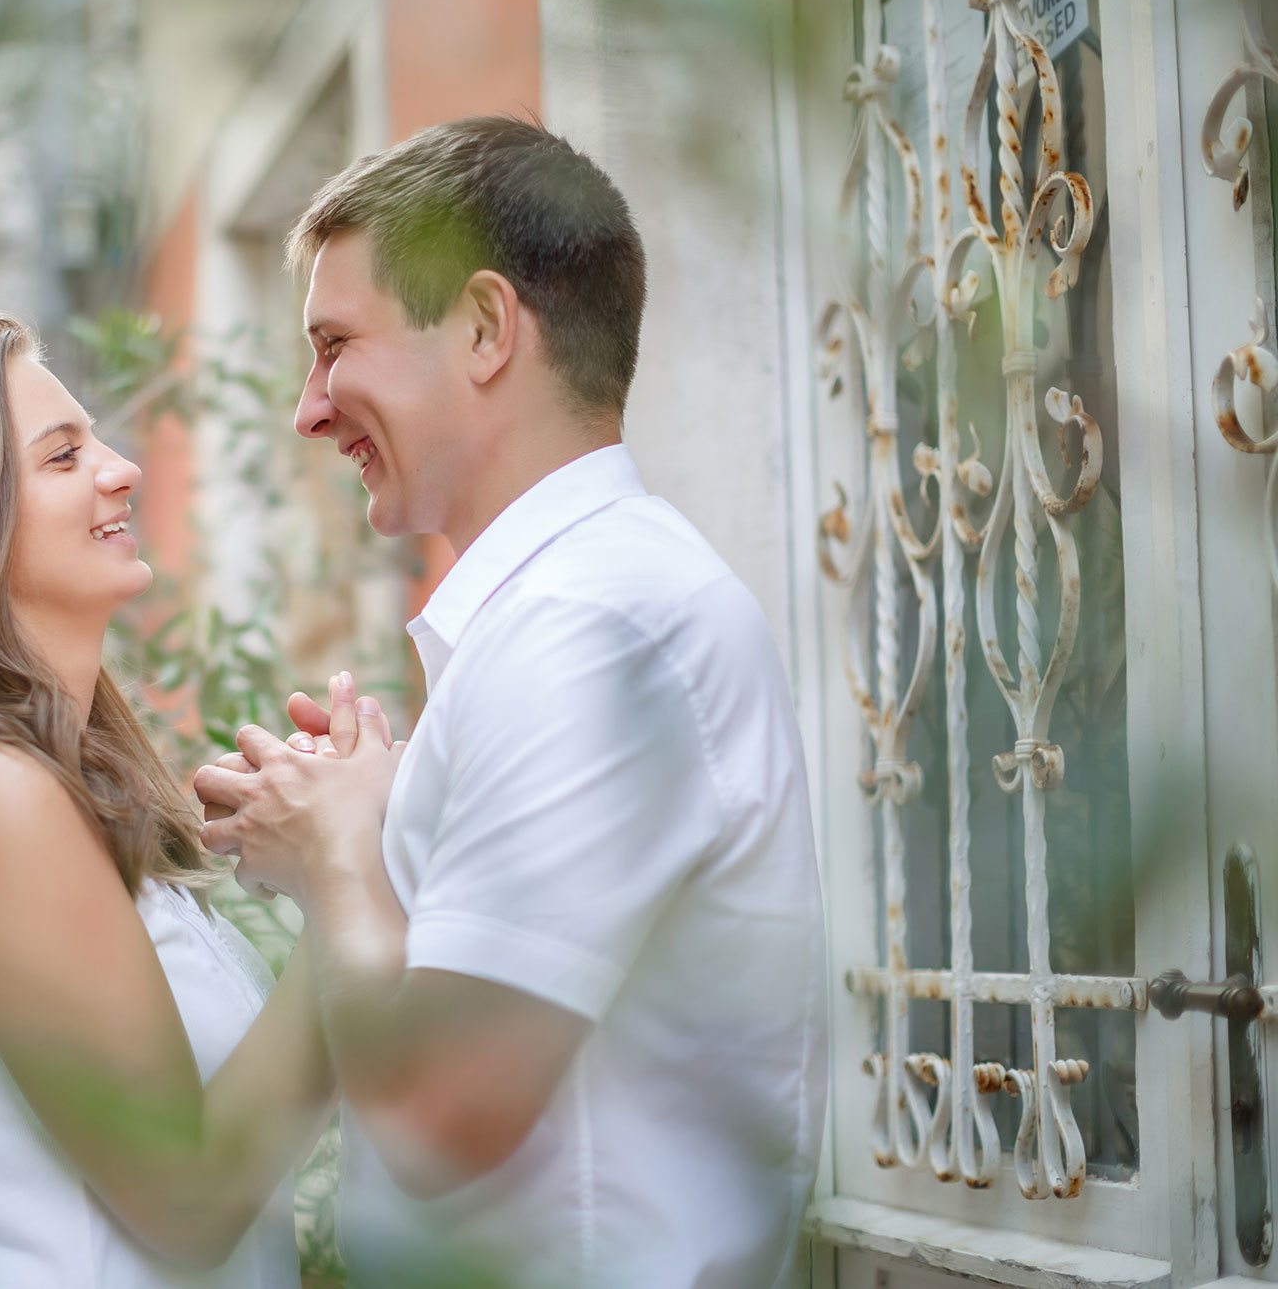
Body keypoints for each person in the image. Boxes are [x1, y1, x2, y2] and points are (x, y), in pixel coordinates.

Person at [193, 116, 828, 1288]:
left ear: (483, 328)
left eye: (334, 347)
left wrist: (337, 849)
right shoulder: (566, 613)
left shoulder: (589, 628)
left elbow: (442, 1110)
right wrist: (359, 826)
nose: (310, 407)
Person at [0, 314, 341, 1288]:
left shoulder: (31, 787)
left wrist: (305, 850)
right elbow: (189, 1196)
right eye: (62, 456)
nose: (122, 468)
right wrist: (350, 878)